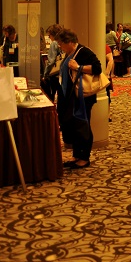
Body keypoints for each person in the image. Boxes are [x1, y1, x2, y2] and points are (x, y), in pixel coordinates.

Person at [56, 28, 102, 169]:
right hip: (70, 97)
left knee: (82, 126)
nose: (60, 46)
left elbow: (97, 68)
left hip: (82, 98)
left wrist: (78, 67)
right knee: (73, 126)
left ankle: (84, 157)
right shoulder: (69, 53)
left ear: (69, 42)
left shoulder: (84, 52)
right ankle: (77, 155)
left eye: (61, 44)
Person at [41, 24, 64, 102]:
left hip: (54, 74)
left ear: (53, 34)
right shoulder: (63, 42)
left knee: (50, 96)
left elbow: (51, 61)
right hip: (61, 73)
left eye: (49, 35)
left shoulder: (54, 43)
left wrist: (45, 74)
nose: (49, 37)